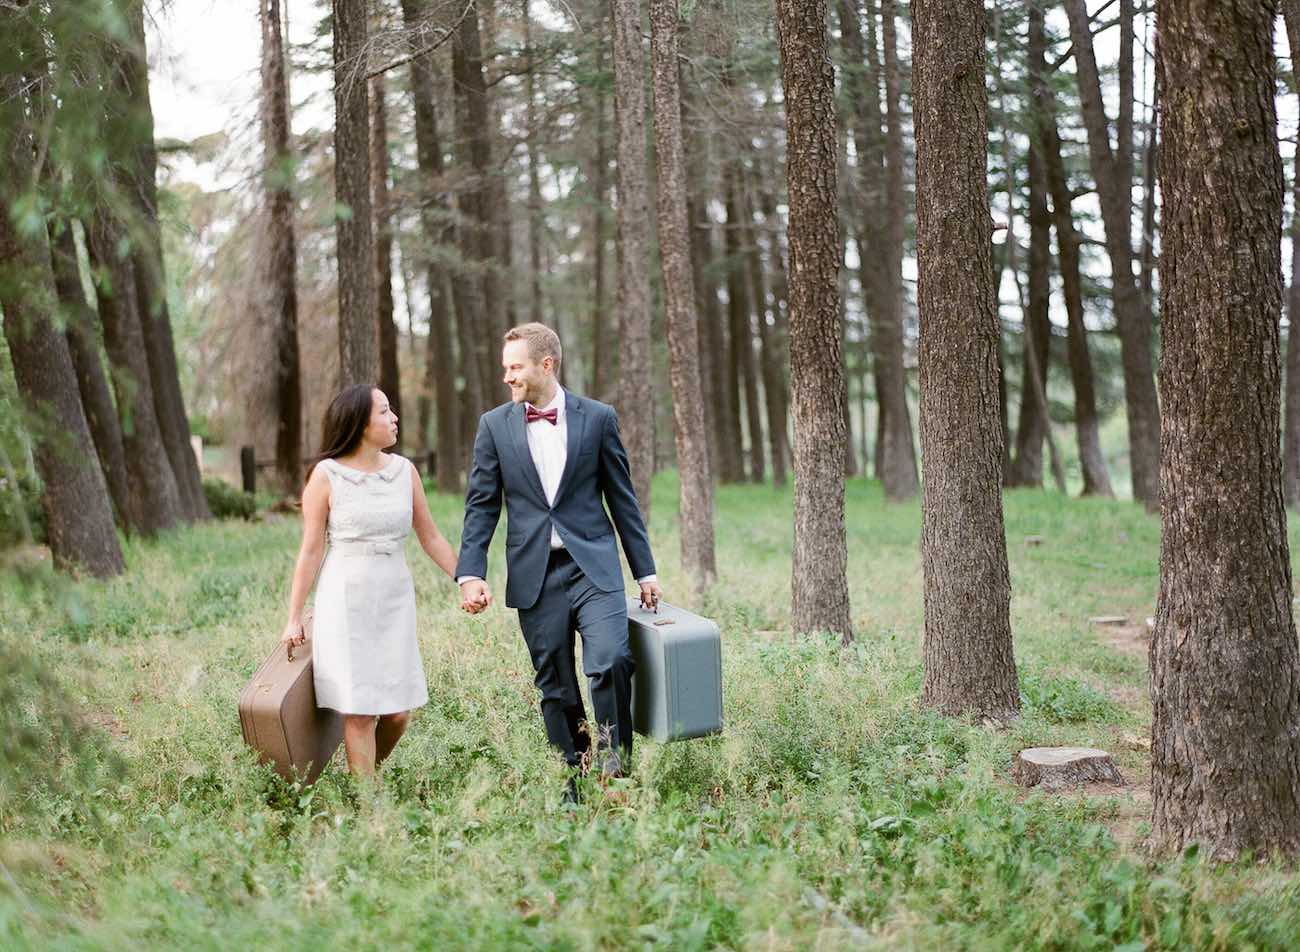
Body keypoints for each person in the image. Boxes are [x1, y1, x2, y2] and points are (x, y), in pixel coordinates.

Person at [456, 322, 662, 803]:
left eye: (515, 367)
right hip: (535, 573)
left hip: (593, 565)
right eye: (505, 367)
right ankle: (573, 778)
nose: (507, 377)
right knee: (555, 683)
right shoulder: (494, 426)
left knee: (612, 659)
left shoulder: (598, 418)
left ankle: (616, 769)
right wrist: (471, 573)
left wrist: (645, 570)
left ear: (545, 364)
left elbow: (623, 501)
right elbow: (481, 504)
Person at [280, 384, 459, 776]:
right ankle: (367, 804)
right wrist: (294, 616)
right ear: (360, 423)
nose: (394, 417)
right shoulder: (326, 477)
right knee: (359, 711)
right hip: (345, 597)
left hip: (394, 594)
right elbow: (310, 550)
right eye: (384, 411)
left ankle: (362, 776)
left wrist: (465, 579)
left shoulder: (404, 472)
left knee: (397, 712)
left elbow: (429, 535)